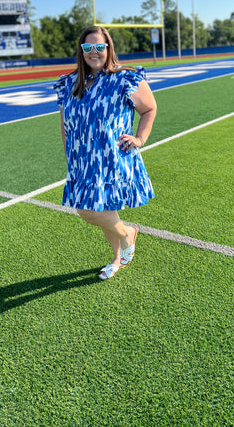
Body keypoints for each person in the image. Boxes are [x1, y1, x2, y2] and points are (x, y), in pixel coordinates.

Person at [53, 26, 157, 280]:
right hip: (82, 162)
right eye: (88, 48)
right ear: (81, 51)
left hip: (111, 158)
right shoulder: (70, 83)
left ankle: (123, 243)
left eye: (100, 47)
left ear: (109, 48)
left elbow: (149, 109)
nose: (94, 52)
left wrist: (140, 138)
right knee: (94, 209)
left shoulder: (125, 78)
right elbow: (65, 124)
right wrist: (70, 156)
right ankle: (122, 245)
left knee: (93, 210)